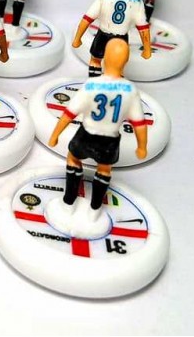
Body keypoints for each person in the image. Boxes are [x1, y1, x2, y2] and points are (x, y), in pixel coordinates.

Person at [48, 38, 147, 221]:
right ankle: (94, 209)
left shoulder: (91, 85)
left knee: (73, 158)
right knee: (105, 169)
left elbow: (70, 113)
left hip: (87, 133)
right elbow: (139, 123)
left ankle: (69, 202)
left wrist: (55, 134)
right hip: (110, 140)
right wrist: (142, 146)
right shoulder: (130, 90)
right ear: (126, 62)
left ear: (104, 59)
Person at [72, 0, 151, 77]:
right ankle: (116, 86)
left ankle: (94, 83)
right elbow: (143, 28)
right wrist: (147, 49)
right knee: (118, 66)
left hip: (103, 35)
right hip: (121, 39)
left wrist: (77, 39)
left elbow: (87, 19)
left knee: (95, 60)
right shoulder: (137, 0)